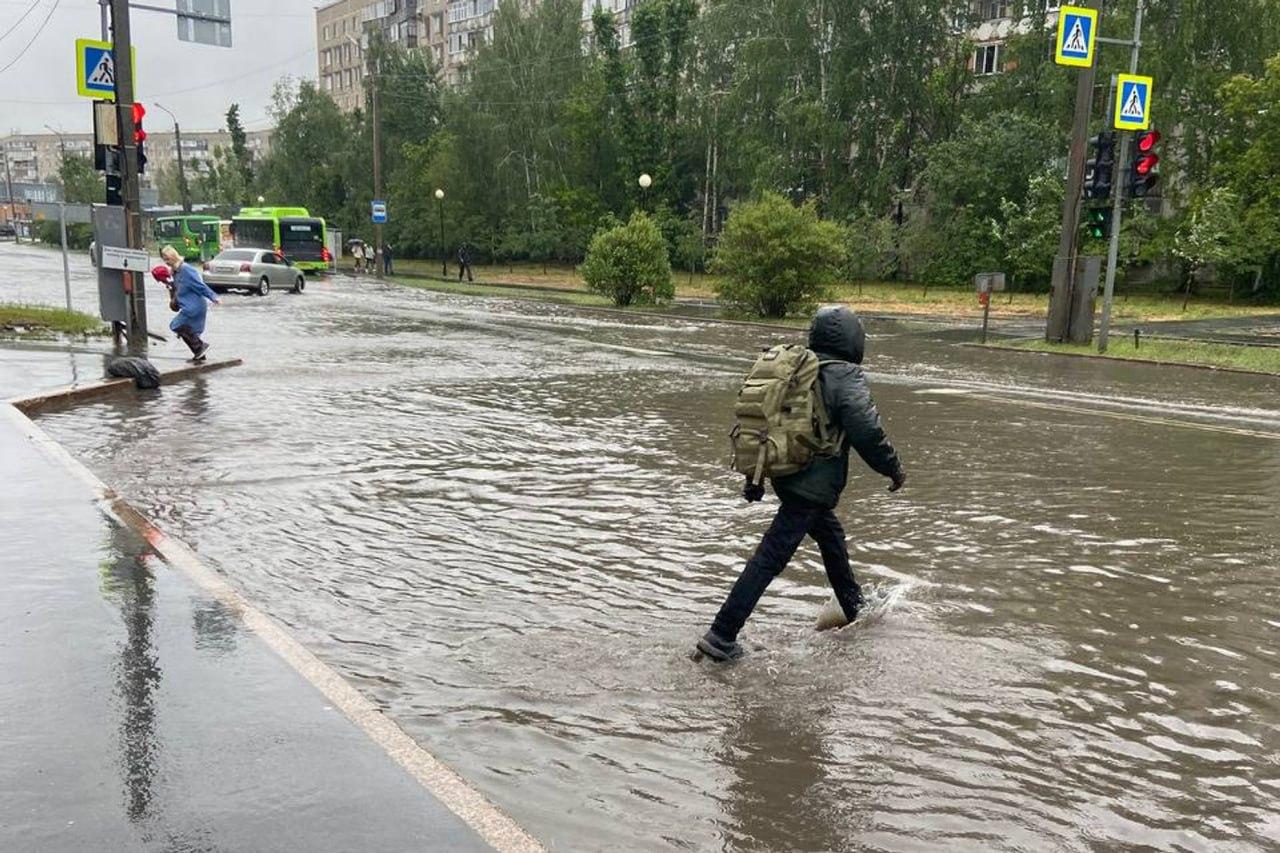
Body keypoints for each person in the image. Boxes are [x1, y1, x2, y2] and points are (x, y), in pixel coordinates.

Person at [696, 306, 906, 662]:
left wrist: (756, 477)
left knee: (831, 538)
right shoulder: (844, 374)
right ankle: (721, 634)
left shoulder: (800, 366)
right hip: (812, 485)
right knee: (770, 557)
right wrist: (893, 469)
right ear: (853, 339)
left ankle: (855, 607)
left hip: (789, 474)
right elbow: (867, 430)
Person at [161, 245, 220, 363]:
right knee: (190, 331)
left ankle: (200, 347)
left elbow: (200, 285)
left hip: (195, 306)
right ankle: (200, 355)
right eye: (164, 259)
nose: (166, 262)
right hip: (187, 306)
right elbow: (177, 291)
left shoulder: (186, 269)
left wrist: (213, 297)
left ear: (173, 257)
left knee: (175, 325)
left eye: (167, 259)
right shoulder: (175, 273)